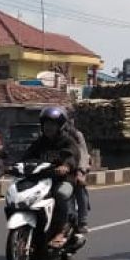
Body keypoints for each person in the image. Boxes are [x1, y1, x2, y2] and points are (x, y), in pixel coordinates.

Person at [22, 106, 80, 248]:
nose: (49, 127)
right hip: (42, 180)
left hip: (62, 180)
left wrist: (66, 166)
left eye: (52, 124)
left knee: (60, 194)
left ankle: (61, 230)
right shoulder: (40, 142)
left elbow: (72, 156)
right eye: (46, 124)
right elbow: (26, 157)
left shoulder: (67, 141)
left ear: (59, 126)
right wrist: (11, 165)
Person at [67, 116, 92, 239]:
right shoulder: (49, 137)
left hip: (75, 169)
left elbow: (83, 154)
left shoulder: (76, 135)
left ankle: (83, 221)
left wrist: (80, 171)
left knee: (80, 189)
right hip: (57, 171)